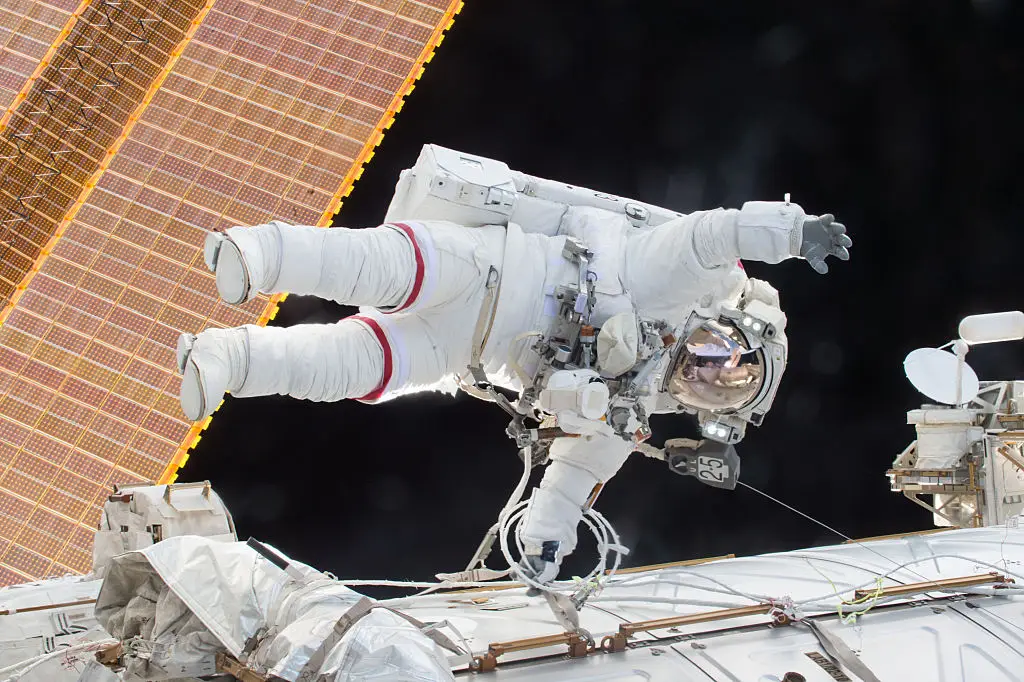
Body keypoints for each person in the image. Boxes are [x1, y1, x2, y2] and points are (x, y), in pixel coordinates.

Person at [176, 148, 851, 587]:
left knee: (354, 369)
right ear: (723, 324)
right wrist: (792, 232)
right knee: (378, 266)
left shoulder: (631, 407)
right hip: (496, 269)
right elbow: (716, 232)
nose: (703, 373)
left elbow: (575, 474)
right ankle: (255, 256)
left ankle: (225, 360)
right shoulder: (673, 280)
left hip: (466, 351)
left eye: (718, 388)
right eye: (720, 358)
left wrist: (543, 545)